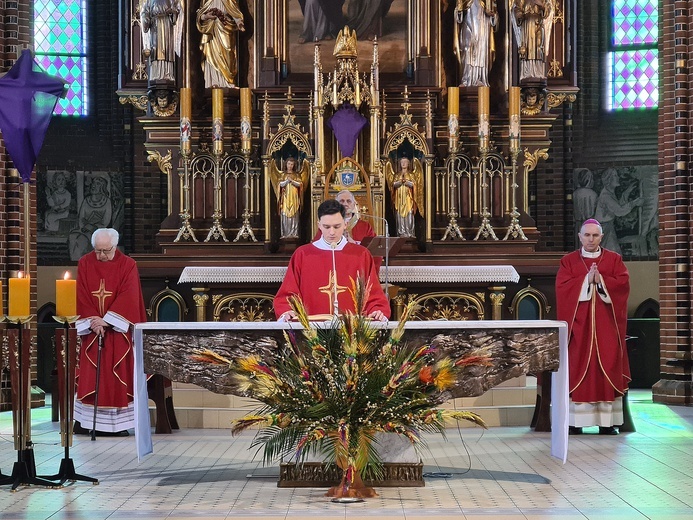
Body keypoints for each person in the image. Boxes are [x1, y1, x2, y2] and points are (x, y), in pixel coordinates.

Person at [555, 219, 631, 435]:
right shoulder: (568, 261)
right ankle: (575, 422)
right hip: (579, 329)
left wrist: (602, 281)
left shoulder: (614, 260)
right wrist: (585, 281)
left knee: (607, 365)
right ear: (580, 237)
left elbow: (623, 285)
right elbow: (562, 289)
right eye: (586, 235)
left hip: (607, 328)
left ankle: (607, 423)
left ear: (601, 236)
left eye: (594, 235)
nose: (590, 239)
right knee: (578, 367)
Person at [73, 228, 147, 435]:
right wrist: (94, 321)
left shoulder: (127, 265)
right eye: (98, 251)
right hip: (91, 330)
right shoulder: (85, 263)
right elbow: (81, 294)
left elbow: (129, 296)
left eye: (106, 251)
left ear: (115, 246)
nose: (102, 256)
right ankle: (85, 422)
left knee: (115, 372)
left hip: (116, 331)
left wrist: (107, 321)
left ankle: (117, 426)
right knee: (89, 372)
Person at [274, 199, 390, 321]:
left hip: (352, 332)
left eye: (337, 226)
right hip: (312, 332)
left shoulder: (361, 255)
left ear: (345, 224)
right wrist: (287, 311)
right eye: (326, 226)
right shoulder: (303, 255)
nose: (332, 232)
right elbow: (288, 294)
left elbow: (373, 294)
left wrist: (377, 310)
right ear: (319, 225)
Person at [196, 0, 245, 88]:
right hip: (210, 30)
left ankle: (227, 82)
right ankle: (212, 81)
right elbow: (200, 14)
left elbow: (234, 11)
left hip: (225, 28)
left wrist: (238, 21)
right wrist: (206, 16)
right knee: (211, 55)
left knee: (227, 54)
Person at [594, 167, 643, 254]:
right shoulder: (606, 196)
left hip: (607, 227)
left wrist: (626, 193)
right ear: (609, 180)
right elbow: (619, 211)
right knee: (613, 254)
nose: (618, 178)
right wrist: (635, 203)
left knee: (612, 255)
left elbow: (617, 206)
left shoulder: (609, 192)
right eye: (615, 176)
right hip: (604, 229)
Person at [454, 0, 498, 87]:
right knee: (467, 50)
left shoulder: (486, 1)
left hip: (483, 28)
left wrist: (492, 15)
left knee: (481, 52)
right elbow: (458, 18)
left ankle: (479, 78)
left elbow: (494, 17)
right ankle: (466, 79)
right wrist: (459, 11)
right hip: (468, 27)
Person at [69, 176, 113, 261]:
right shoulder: (86, 201)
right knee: (72, 236)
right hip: (84, 229)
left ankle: (82, 262)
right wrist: (84, 227)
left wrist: (90, 227)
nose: (93, 186)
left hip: (98, 231)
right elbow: (81, 218)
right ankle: (74, 261)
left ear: (102, 187)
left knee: (82, 240)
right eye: (93, 183)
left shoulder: (107, 202)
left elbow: (105, 221)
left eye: (97, 184)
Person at [510, 0, 554, 82]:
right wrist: (520, 14)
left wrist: (542, 5)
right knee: (527, 49)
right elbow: (516, 9)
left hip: (538, 25)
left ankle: (538, 71)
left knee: (538, 48)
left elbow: (549, 9)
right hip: (526, 25)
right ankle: (527, 71)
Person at [140, 0, 182, 82]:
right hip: (155, 27)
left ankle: (167, 73)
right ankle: (156, 74)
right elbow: (145, 14)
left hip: (167, 27)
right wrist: (146, 18)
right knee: (156, 51)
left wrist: (173, 12)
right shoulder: (149, 1)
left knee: (167, 51)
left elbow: (175, 15)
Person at [269, 156, 310, 239]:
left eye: (292, 164)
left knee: (294, 215)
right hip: (285, 198)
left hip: (294, 198)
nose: (290, 166)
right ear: (286, 164)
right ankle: (285, 233)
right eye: (289, 164)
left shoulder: (297, 175)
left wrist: (292, 181)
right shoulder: (283, 175)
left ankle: (294, 233)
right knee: (285, 215)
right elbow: (279, 185)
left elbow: (300, 184)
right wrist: (287, 181)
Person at [385, 155, 424, 238]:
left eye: (405, 162)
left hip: (408, 198)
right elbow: (393, 185)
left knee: (409, 214)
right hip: (399, 198)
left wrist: (406, 182)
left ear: (408, 164)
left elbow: (414, 185)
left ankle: (410, 232)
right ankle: (401, 232)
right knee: (399, 215)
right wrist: (399, 182)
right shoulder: (397, 175)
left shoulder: (411, 175)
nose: (403, 164)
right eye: (402, 162)